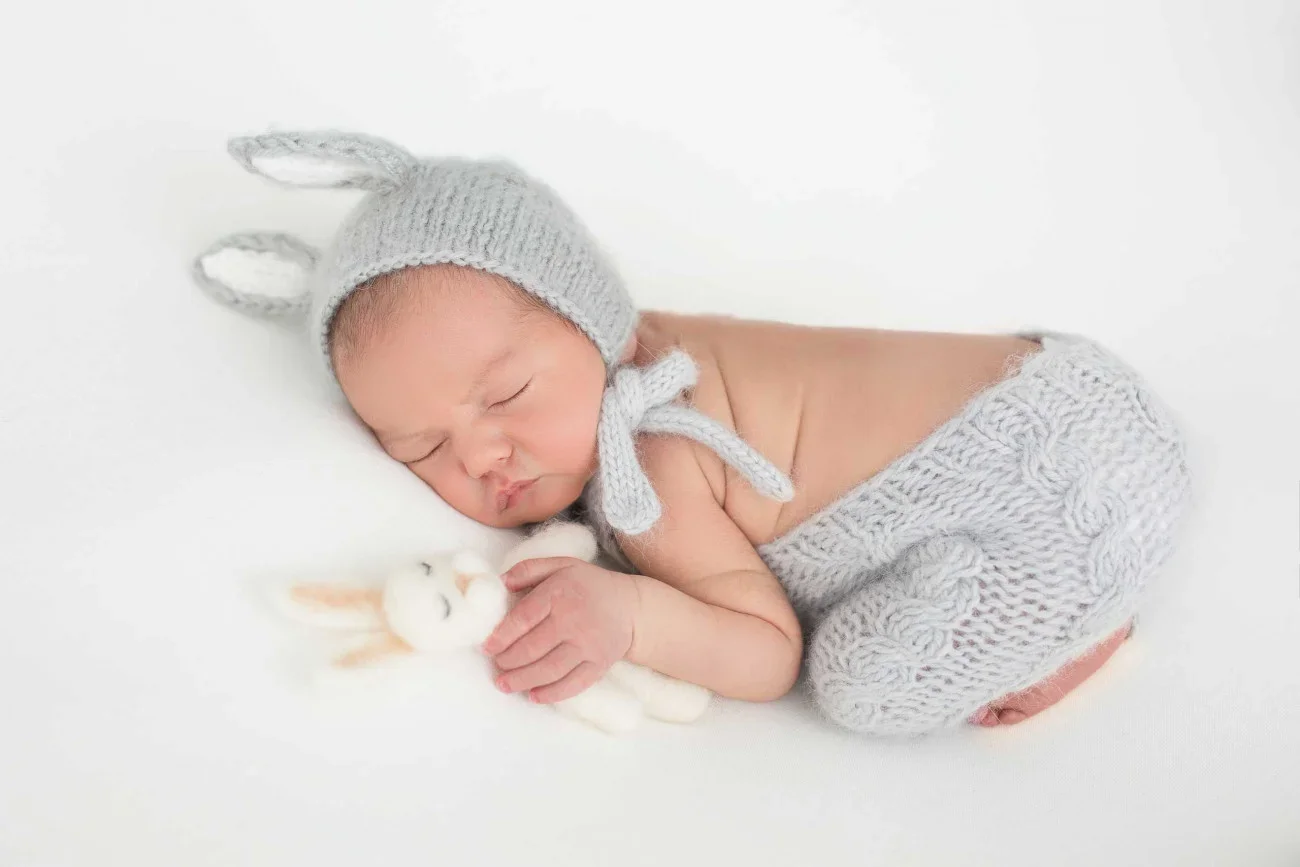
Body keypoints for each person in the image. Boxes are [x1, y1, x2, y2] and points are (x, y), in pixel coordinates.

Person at [193, 130, 1191, 736]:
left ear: (597, 324)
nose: (479, 455)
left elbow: (766, 657)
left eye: (503, 397)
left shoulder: (655, 455)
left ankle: (1081, 628)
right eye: (420, 449)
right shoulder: (644, 349)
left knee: (862, 689)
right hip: (1072, 388)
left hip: (1044, 488)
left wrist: (629, 617)